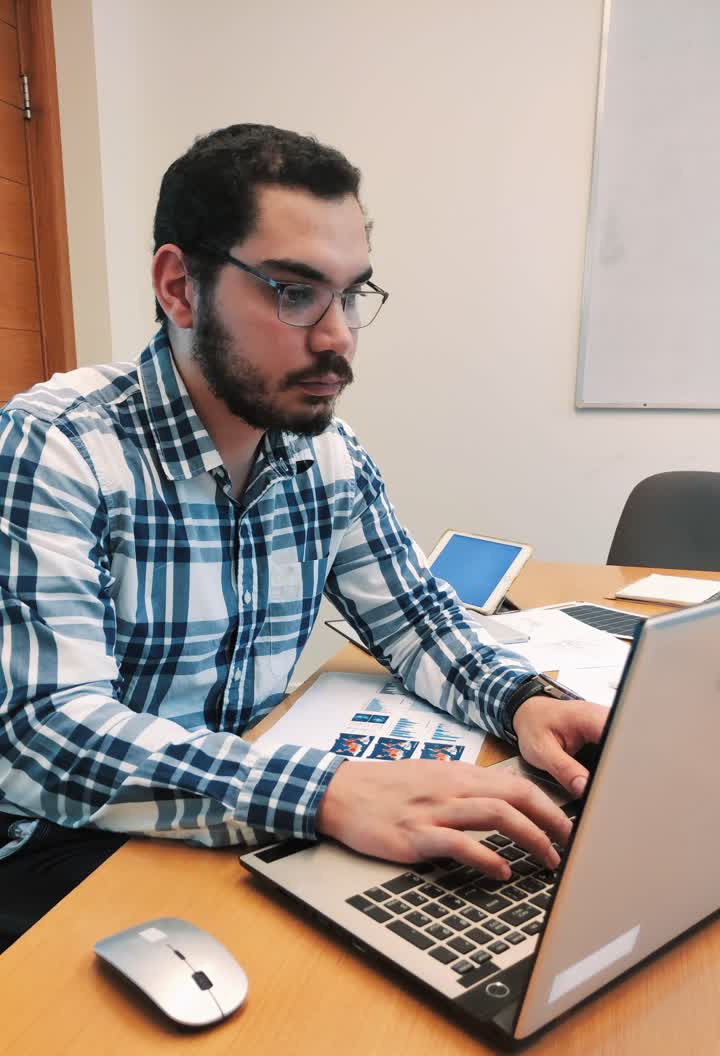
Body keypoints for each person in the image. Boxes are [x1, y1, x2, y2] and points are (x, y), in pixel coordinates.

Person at [0, 123, 607, 950]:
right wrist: (325, 794)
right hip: (66, 843)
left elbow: (412, 617)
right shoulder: (57, 447)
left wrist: (525, 699)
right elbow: (47, 729)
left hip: (245, 809)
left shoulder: (326, 453)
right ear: (179, 288)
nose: (338, 337)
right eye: (294, 292)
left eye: (351, 293)